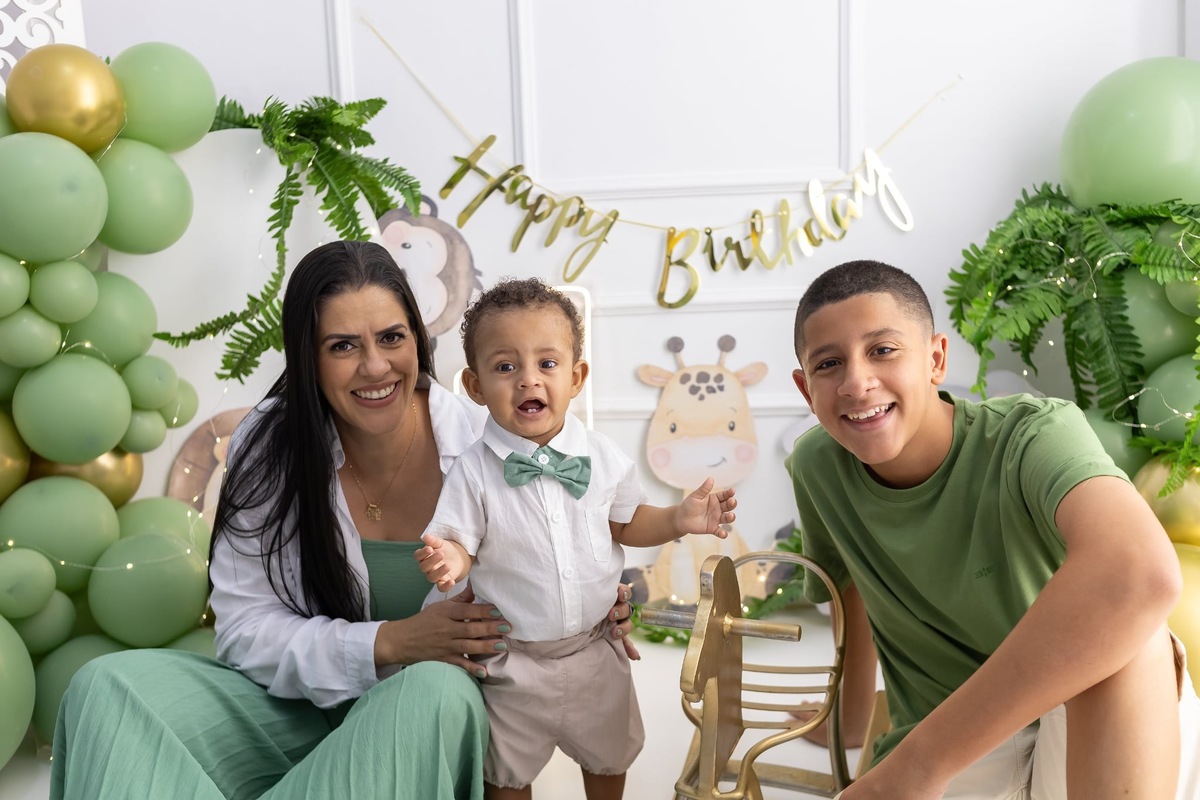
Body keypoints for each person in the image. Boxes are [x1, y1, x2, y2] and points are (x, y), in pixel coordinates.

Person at [50, 241, 637, 800]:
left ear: (417, 341)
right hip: (295, 712)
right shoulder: (271, 442)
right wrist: (391, 641)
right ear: (308, 355)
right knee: (105, 688)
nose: (374, 366)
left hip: (417, 728)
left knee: (434, 687)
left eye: (390, 338)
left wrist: (594, 605)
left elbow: (572, 551)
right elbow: (243, 630)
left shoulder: (496, 444)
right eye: (342, 346)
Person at [787, 259, 1200, 800]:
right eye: (829, 364)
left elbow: (1142, 573)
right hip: (962, 752)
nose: (857, 383)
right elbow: (852, 592)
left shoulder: (1034, 435)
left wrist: (916, 769)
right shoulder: (816, 465)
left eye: (883, 350)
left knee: (1135, 637)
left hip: (1081, 724)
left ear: (935, 359)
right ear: (803, 387)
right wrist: (844, 725)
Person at [415, 277, 736, 800]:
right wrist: (449, 556)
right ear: (473, 387)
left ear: (576, 375)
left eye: (547, 363)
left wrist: (679, 517)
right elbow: (459, 539)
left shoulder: (603, 458)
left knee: (609, 758)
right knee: (506, 776)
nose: (527, 381)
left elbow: (627, 524)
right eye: (505, 367)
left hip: (594, 650)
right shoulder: (473, 472)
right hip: (511, 662)